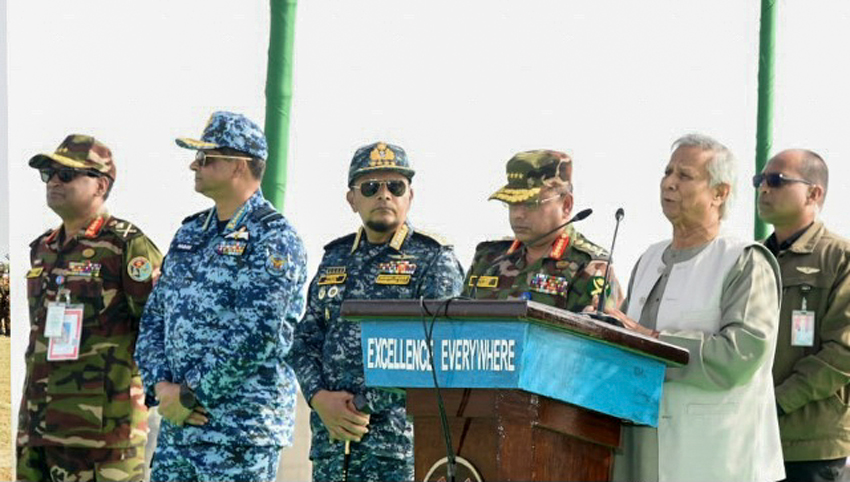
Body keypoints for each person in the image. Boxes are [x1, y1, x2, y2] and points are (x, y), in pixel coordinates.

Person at [134, 111, 307, 482]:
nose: (194, 164)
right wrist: (161, 387)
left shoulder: (274, 238)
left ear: (238, 167)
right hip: (179, 432)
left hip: (239, 435)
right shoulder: (189, 233)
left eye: (207, 157)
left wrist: (190, 392)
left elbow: (259, 332)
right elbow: (153, 319)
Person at [607, 134, 784, 482]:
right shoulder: (648, 258)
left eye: (684, 176)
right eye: (667, 172)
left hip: (715, 458)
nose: (669, 183)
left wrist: (652, 340)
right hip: (639, 449)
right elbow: (627, 342)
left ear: (720, 193)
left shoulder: (745, 261)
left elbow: (740, 356)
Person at [287, 141, 464, 482]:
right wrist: (319, 398)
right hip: (332, 447)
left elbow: (439, 351)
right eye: (370, 187)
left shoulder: (433, 259)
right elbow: (304, 339)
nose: (384, 195)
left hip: (397, 449)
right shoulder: (334, 258)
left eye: (395, 186)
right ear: (352, 199)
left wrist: (361, 404)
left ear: (410, 196)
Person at [18, 134, 162, 482]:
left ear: (100, 185)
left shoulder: (126, 245)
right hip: (38, 427)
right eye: (48, 174)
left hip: (102, 436)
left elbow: (158, 328)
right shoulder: (43, 249)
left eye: (66, 175)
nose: (53, 181)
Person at [757, 149, 850, 482]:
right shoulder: (751, 258)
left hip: (811, 447)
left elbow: (843, 353)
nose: (764, 188)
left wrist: (777, 402)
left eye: (776, 180)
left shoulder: (840, 258)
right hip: (750, 437)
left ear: (814, 193)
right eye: (760, 180)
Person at [464, 149, 622, 311]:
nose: (518, 214)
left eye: (531, 203)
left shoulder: (590, 266)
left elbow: (593, 332)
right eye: (512, 203)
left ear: (566, 205)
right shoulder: (488, 257)